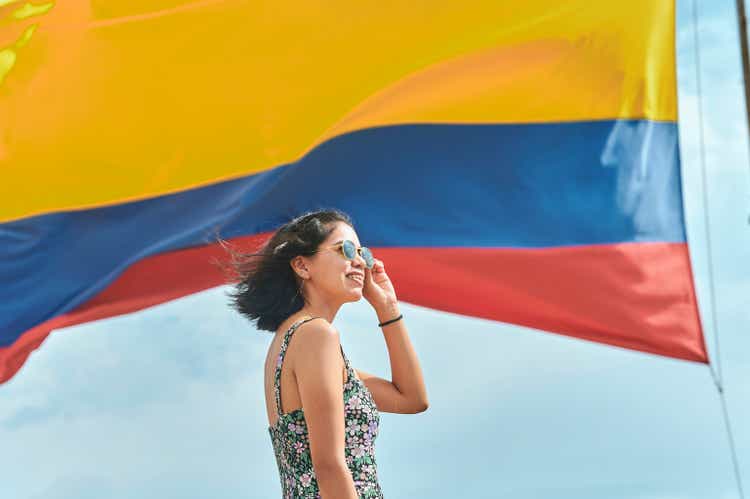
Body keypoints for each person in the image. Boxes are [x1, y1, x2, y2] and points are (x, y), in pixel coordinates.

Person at [225, 208, 429, 498]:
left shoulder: (297, 340)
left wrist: (388, 309)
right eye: (344, 250)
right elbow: (329, 465)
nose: (359, 261)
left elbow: (412, 399)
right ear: (302, 266)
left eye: (362, 253)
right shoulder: (316, 335)